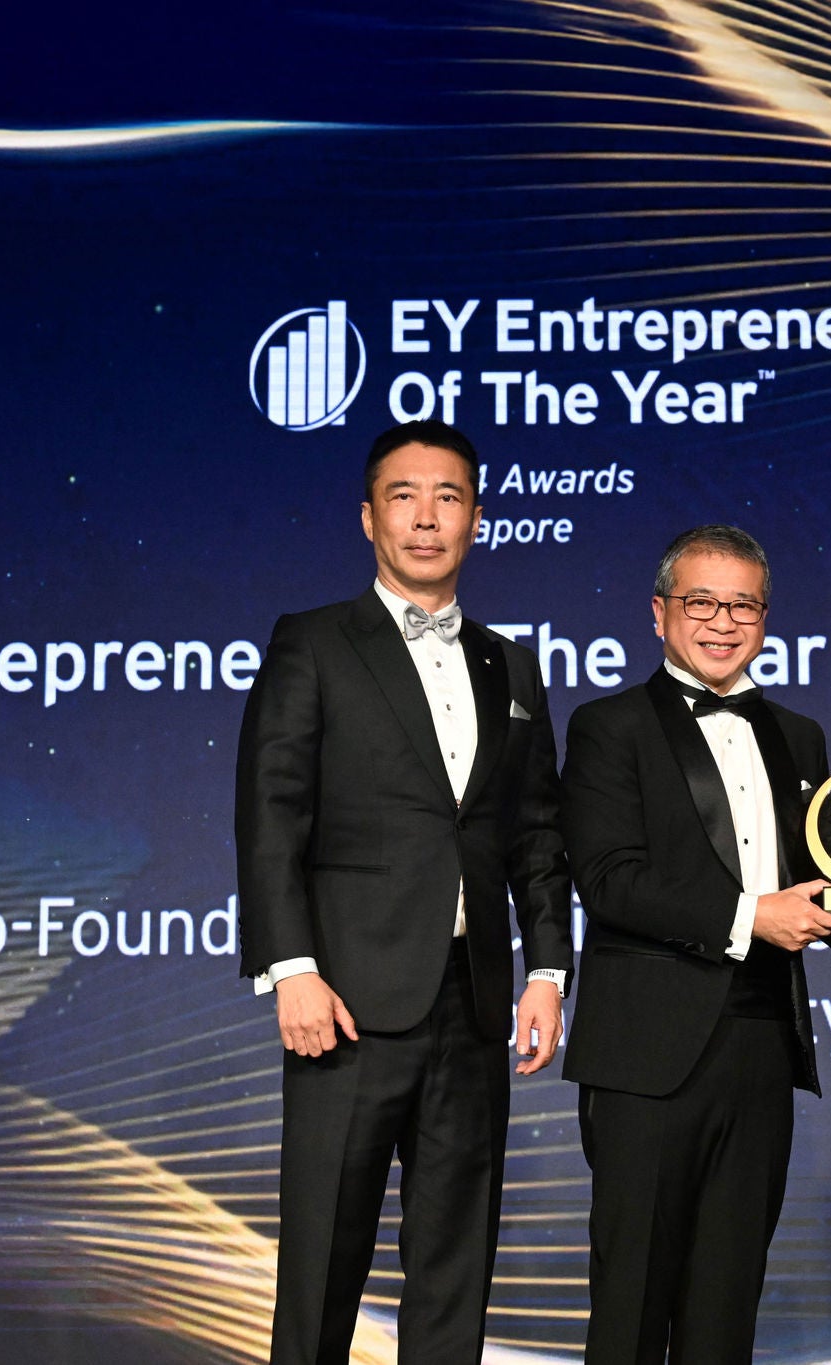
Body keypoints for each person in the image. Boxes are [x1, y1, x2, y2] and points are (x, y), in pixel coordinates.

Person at [234, 419, 575, 1365]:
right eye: (404, 496)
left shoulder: (512, 664)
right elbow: (271, 815)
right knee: (322, 1266)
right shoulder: (313, 642)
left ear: (476, 518)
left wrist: (546, 968)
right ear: (368, 516)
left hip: (471, 1006)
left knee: (455, 1265)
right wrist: (291, 969)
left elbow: (535, 833)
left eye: (449, 497)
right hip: (345, 1003)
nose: (427, 518)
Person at [561, 524, 831, 1364]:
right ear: (658, 613)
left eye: (742, 604)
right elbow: (607, 879)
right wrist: (752, 918)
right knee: (633, 1302)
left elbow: (818, 875)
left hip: (760, 1047)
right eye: (701, 601)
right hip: (645, 1055)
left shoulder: (800, 734)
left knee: (726, 1305)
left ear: (765, 616)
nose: (721, 621)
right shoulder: (608, 725)